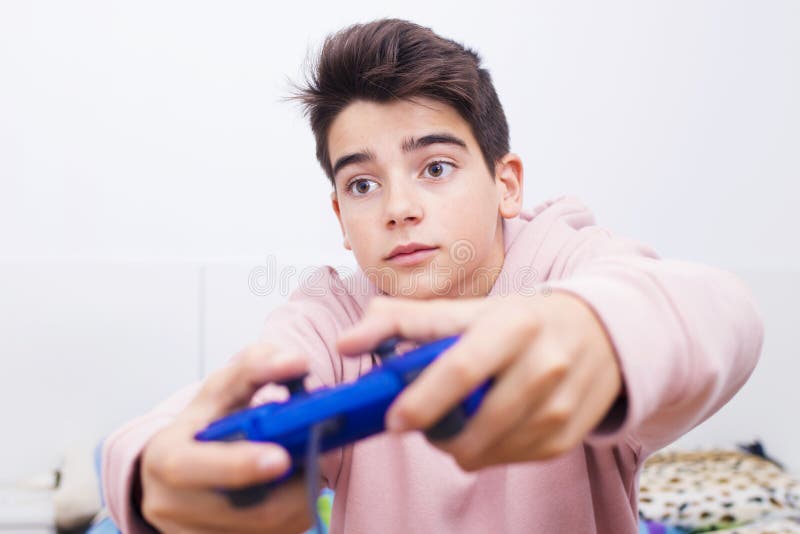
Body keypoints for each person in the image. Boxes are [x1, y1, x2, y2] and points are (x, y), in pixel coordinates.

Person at [101, 18, 764, 533]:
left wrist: (592, 333)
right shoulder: (332, 320)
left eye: (435, 168)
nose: (398, 208)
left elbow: (722, 315)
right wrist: (148, 479)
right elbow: (199, 416)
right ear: (340, 213)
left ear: (506, 184)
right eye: (363, 184)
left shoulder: (570, 268)